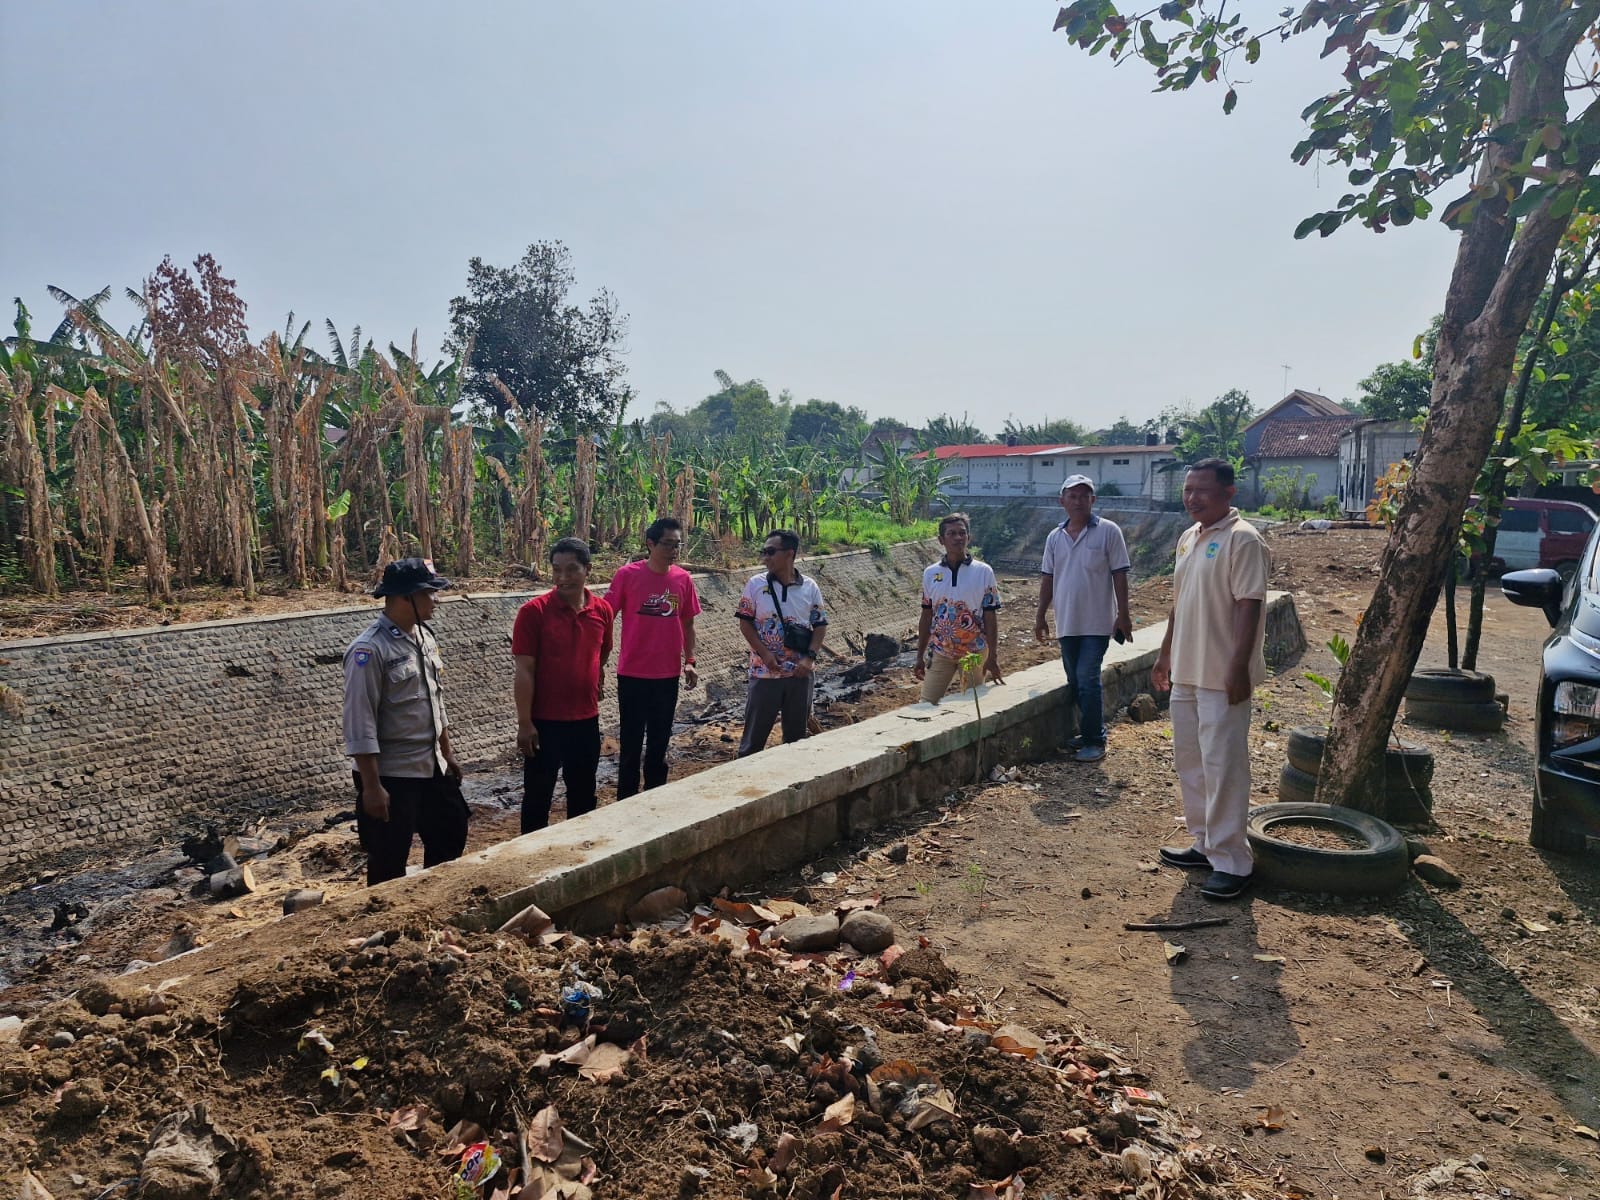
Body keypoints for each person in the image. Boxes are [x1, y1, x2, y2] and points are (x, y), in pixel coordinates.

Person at [1150, 458, 1269, 902]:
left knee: (1224, 766)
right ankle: (1204, 843)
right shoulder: (1188, 538)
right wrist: (1164, 655)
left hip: (1222, 675)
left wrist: (1239, 668)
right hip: (1187, 670)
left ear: (1228, 493)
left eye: (1202, 490)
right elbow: (1179, 606)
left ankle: (1233, 861)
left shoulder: (1243, 539)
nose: (1192, 498)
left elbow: (1249, 604)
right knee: (1192, 762)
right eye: (1187, 490)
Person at [342, 557, 469, 886]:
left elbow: (434, 701)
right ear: (404, 598)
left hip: (430, 766)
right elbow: (360, 722)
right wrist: (371, 787)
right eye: (429, 594)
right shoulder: (369, 651)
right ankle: (385, 927)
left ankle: (434, 902)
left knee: (451, 832)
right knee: (388, 856)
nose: (435, 601)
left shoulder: (424, 638)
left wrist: (447, 752)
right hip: (392, 774)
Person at [512, 537, 614, 832]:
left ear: (588, 570)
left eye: (571, 570)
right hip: (545, 723)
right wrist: (524, 723)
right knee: (537, 796)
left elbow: (603, 651)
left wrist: (595, 676)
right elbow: (524, 670)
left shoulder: (602, 611)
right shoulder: (533, 613)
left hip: (586, 721)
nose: (563, 578)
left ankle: (578, 853)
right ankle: (529, 859)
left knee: (583, 794)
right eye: (557, 570)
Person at [1034, 475, 1133, 763]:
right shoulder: (1055, 537)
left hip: (1098, 621)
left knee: (1087, 678)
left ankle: (1095, 739)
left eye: (1084, 495)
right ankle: (1087, 730)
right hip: (1067, 621)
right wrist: (1040, 614)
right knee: (1074, 680)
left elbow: (1120, 574)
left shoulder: (1108, 531)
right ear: (1062, 501)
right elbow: (1048, 578)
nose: (1078, 501)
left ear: (1093, 500)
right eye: (1072, 496)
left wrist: (1123, 614)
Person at [606, 516, 702, 799]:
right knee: (631, 740)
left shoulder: (683, 579)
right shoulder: (627, 576)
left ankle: (654, 796)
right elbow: (605, 615)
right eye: (667, 544)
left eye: (677, 545)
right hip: (632, 674)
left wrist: (690, 661)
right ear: (650, 544)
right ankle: (625, 798)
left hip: (667, 675)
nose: (673, 550)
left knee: (660, 740)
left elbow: (688, 625)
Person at [736, 529, 828, 756]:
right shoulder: (756, 585)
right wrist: (765, 655)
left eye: (770, 552)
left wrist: (810, 658)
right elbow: (745, 624)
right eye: (763, 552)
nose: (764, 557)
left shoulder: (809, 587)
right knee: (752, 742)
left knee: (795, 742)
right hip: (765, 675)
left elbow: (820, 625)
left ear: (789, 554)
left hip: (799, 675)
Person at [915, 513, 1003, 702]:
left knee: (971, 705)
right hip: (940, 652)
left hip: (974, 653)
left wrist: (992, 657)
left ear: (969, 537)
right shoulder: (931, 573)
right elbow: (926, 616)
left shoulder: (983, 572)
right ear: (941, 540)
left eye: (962, 533)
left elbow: (990, 618)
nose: (958, 538)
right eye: (951, 533)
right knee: (927, 703)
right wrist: (919, 656)